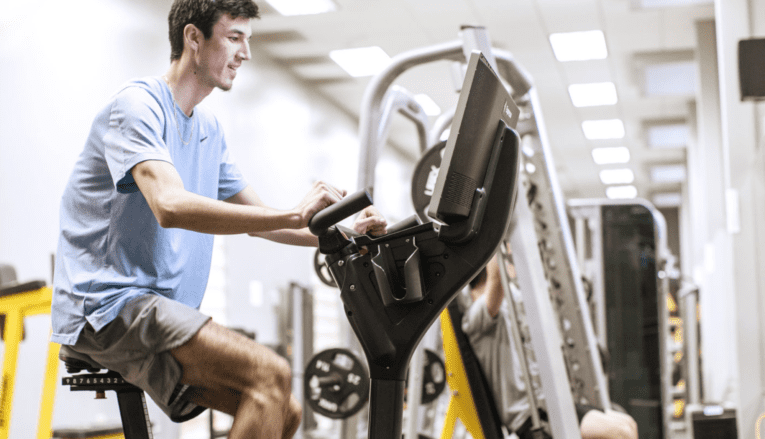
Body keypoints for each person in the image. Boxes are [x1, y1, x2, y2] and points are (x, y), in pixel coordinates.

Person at [50, 1, 387, 438]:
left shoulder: (208, 129)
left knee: (287, 411)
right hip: (108, 305)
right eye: (234, 37)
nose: (245, 53)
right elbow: (169, 205)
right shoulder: (137, 106)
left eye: (247, 39)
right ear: (194, 38)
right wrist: (293, 210)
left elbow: (257, 219)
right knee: (270, 373)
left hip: (155, 309)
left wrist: (345, 232)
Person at [463, 253, 638, 439]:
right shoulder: (476, 318)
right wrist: (495, 232)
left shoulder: (508, 306)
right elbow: (497, 279)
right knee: (620, 433)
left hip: (547, 406)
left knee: (627, 423)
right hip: (532, 417)